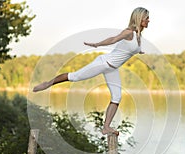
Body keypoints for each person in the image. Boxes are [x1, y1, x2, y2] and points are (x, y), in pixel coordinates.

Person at [33, 7, 150, 136]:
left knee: (117, 97)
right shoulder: (129, 32)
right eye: (146, 18)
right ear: (139, 18)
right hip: (103, 63)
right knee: (75, 76)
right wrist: (97, 44)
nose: (149, 20)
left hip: (112, 68)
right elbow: (113, 39)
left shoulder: (139, 36)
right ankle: (48, 84)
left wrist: (139, 51)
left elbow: (130, 48)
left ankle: (106, 127)